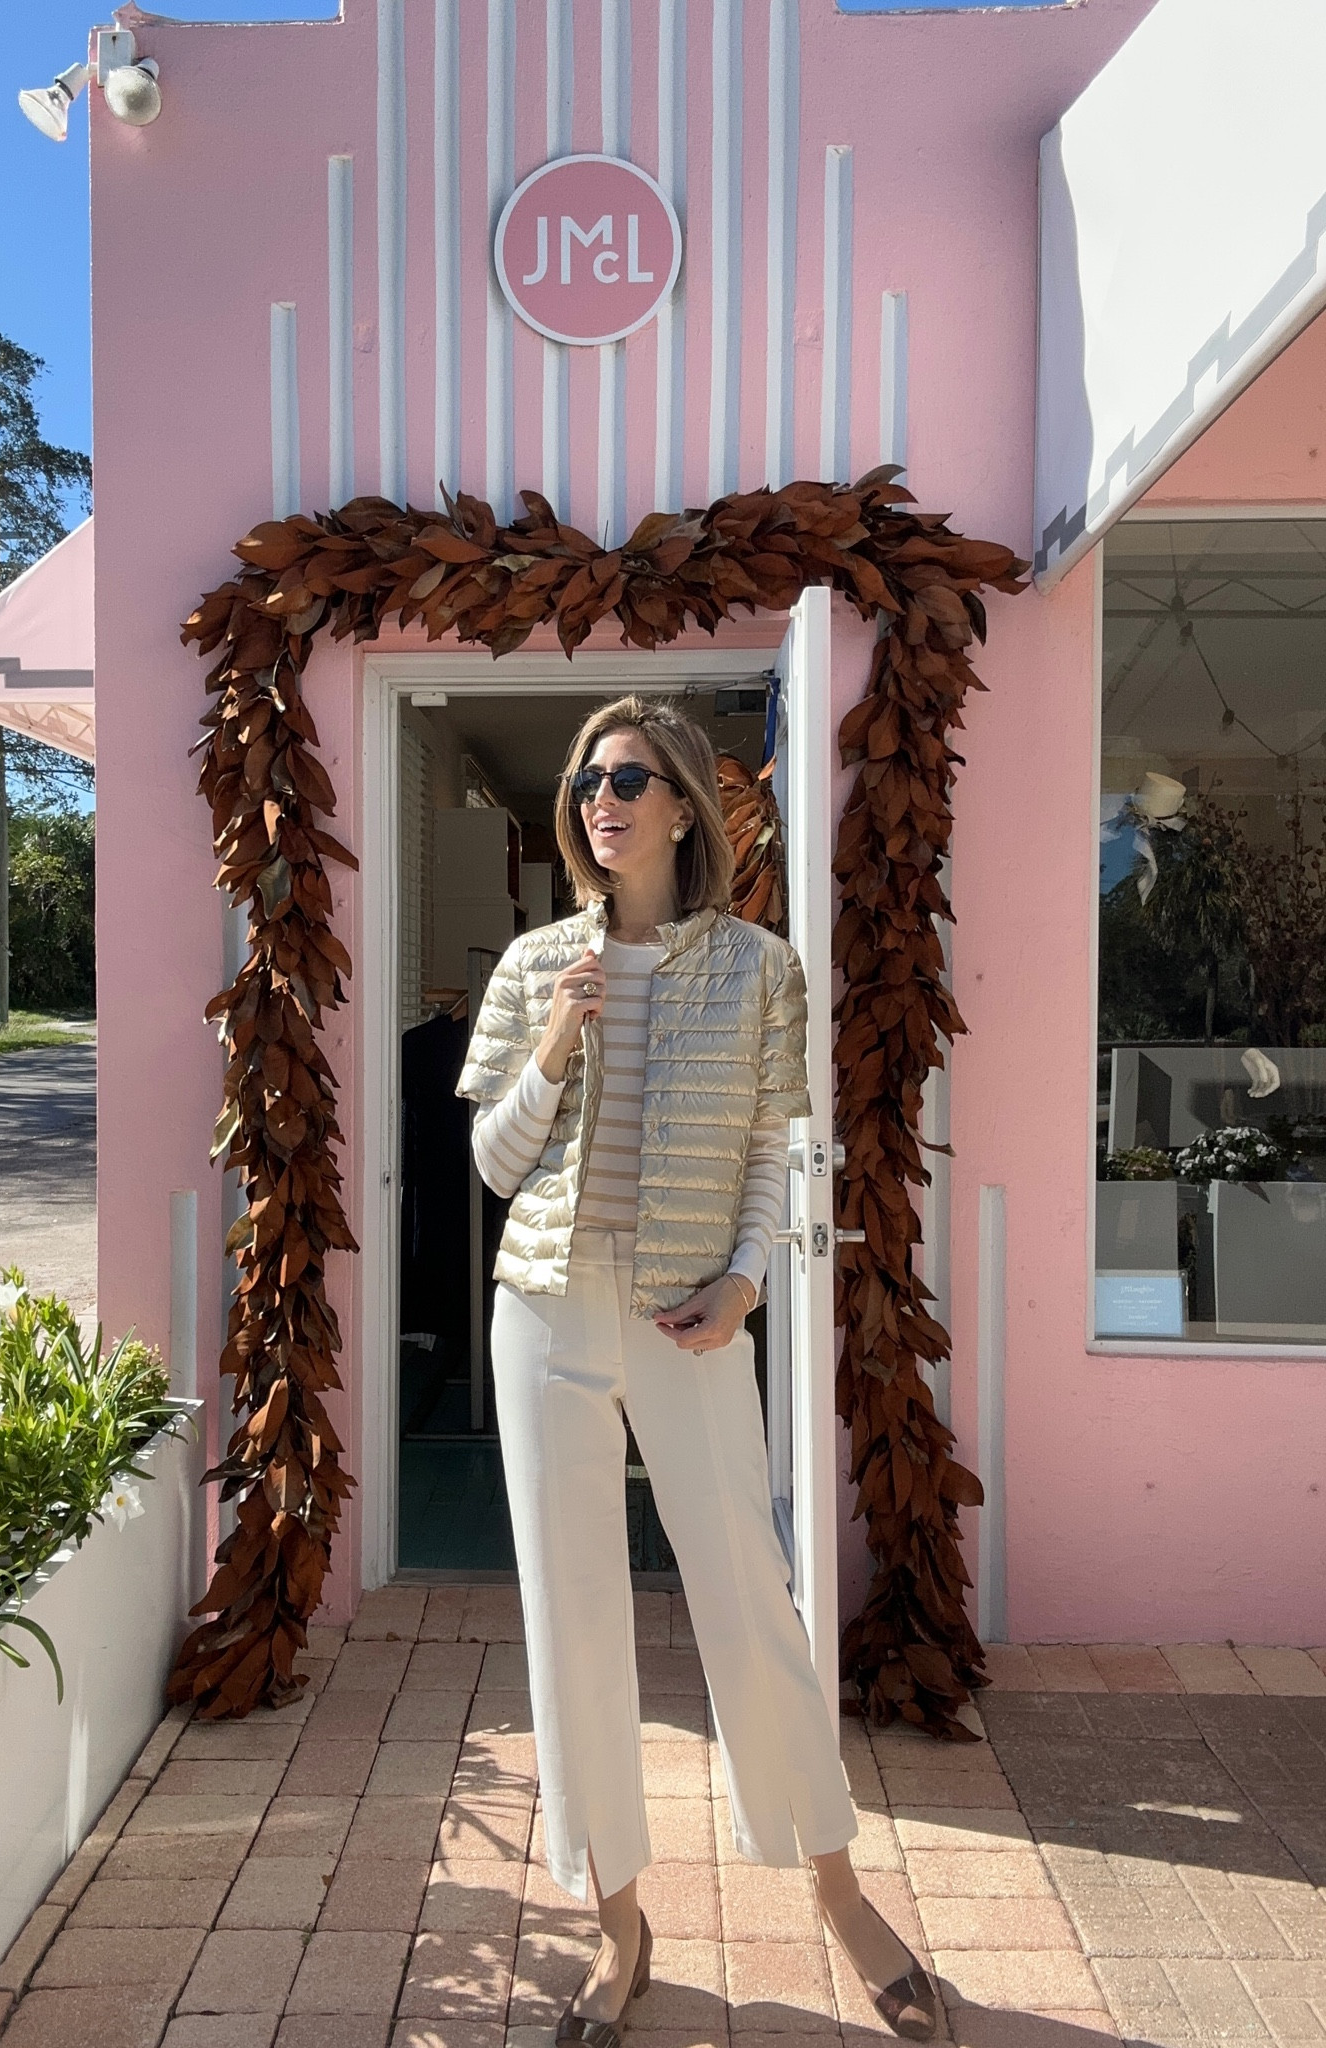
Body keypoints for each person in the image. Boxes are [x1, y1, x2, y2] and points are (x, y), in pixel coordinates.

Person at [457, 696, 938, 2045]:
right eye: (586, 782)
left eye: (628, 779)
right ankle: (618, 1924)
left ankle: (838, 1891)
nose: (600, 801)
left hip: (690, 1315)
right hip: (544, 1314)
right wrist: (553, 1045)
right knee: (571, 1620)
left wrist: (746, 1282)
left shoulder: (761, 970)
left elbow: (777, 1156)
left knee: (747, 1595)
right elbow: (495, 1165)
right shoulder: (537, 962)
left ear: (683, 805)